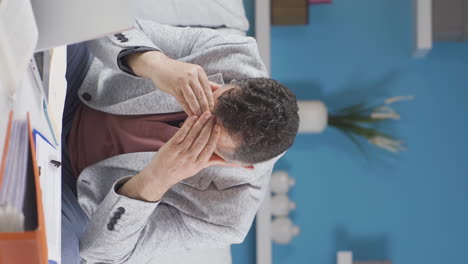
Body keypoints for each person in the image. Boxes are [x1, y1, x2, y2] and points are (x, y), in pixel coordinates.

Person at [61, 19, 299, 264]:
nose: (191, 120)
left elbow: (100, 252)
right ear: (234, 82)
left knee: (57, 255)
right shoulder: (235, 53)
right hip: (80, 88)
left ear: (237, 165)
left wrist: (157, 178)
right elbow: (100, 23)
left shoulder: (226, 218)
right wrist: (155, 64)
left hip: (76, 191)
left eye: (206, 136)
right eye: (208, 101)